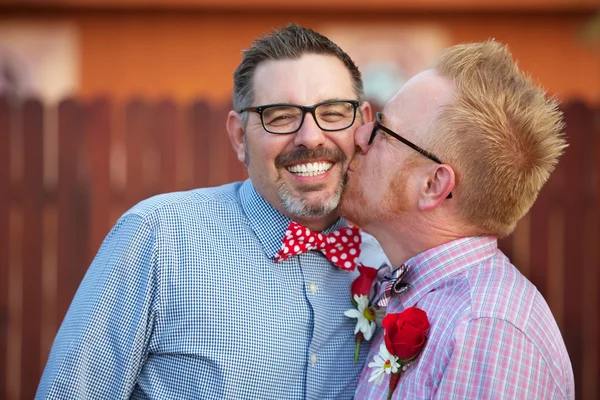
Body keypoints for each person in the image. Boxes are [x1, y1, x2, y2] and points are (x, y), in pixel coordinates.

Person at [36, 24, 382, 399]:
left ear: (363, 124)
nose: (311, 137)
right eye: (280, 116)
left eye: (332, 113)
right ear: (238, 136)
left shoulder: (390, 258)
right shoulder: (158, 237)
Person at [342, 40, 574, 399]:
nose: (359, 136)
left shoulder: (488, 331)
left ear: (433, 185)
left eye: (383, 130)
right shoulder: (424, 295)